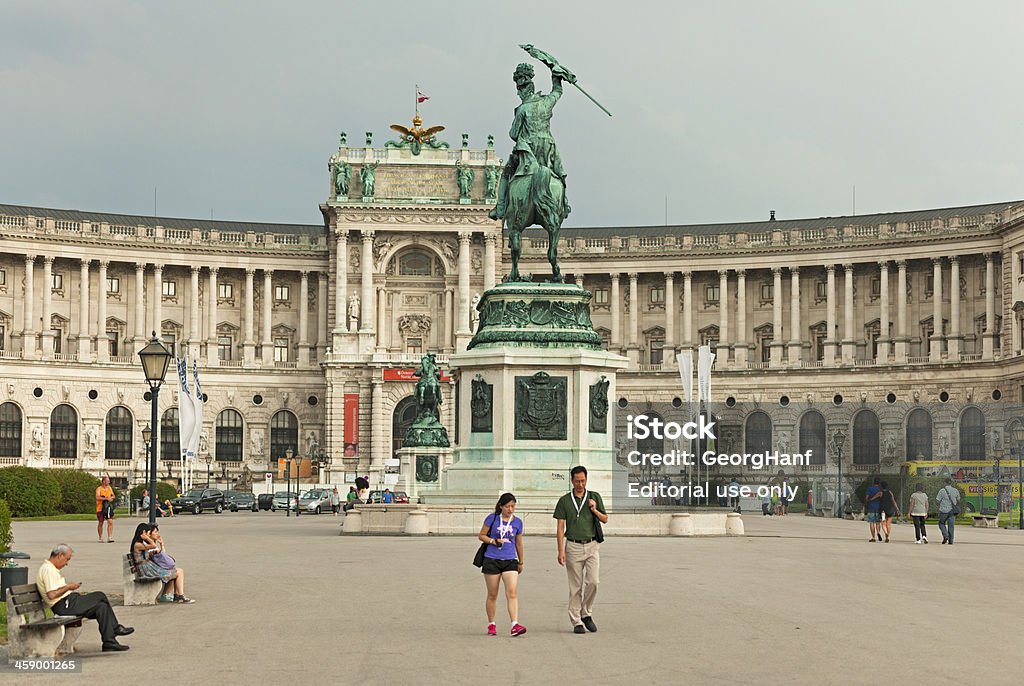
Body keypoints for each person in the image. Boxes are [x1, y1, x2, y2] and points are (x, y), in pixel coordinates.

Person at [36, 544, 134, 652]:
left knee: (101, 607)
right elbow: (52, 595)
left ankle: (109, 642)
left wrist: (69, 588)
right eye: (67, 559)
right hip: (63, 605)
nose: (67, 563)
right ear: (60, 555)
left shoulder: (50, 569)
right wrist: (68, 587)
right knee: (100, 595)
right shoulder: (48, 570)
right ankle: (115, 628)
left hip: (67, 602)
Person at [553, 465, 608, 634]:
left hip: (591, 545)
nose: (580, 484)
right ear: (572, 481)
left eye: (583, 481)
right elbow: (560, 527)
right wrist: (560, 550)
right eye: (577, 481)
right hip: (573, 546)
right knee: (575, 586)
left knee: (594, 582)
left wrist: (594, 509)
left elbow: (605, 519)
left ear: (586, 480)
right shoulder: (564, 501)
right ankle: (576, 620)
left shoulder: (594, 497)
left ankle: (586, 612)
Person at [479, 492, 526, 637]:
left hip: (510, 559)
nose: (510, 509)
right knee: (492, 594)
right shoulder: (492, 518)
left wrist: (521, 561)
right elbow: (482, 535)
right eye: (507, 506)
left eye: (513, 506)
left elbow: (518, 542)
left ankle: (514, 624)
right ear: (501, 506)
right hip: (492, 559)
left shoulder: (517, 522)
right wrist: (493, 541)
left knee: (512, 592)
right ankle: (491, 623)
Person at [130, 523, 194, 603]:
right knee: (179, 572)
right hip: (146, 570)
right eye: (148, 533)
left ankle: (178, 595)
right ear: (143, 532)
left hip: (147, 568)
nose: (148, 535)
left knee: (176, 571)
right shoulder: (138, 545)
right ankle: (179, 595)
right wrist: (147, 538)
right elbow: (153, 545)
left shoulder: (140, 544)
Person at [936, 478, 961, 545]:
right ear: (951, 483)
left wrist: (939, 505)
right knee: (951, 526)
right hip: (952, 511)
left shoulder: (942, 490)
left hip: (943, 511)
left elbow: (937, 500)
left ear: (945, 483)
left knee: (941, 523)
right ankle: (951, 541)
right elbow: (958, 500)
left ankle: (945, 535)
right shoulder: (955, 490)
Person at [96, 476, 115, 542]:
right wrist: (106, 498)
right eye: (107, 481)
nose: (109, 482)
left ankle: (110, 537)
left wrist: (111, 498)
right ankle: (100, 537)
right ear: (104, 481)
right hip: (100, 508)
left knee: (110, 521)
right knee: (101, 523)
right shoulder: (99, 489)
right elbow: (97, 497)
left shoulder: (109, 488)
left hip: (108, 508)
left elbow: (113, 495)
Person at [864, 477, 883, 542]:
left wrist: (867, 501)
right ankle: (878, 532)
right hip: (878, 507)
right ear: (879, 483)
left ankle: (873, 537)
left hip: (871, 507)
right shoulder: (880, 489)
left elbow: (866, 497)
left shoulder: (870, 489)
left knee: (871, 522)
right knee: (877, 522)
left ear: (873, 482)